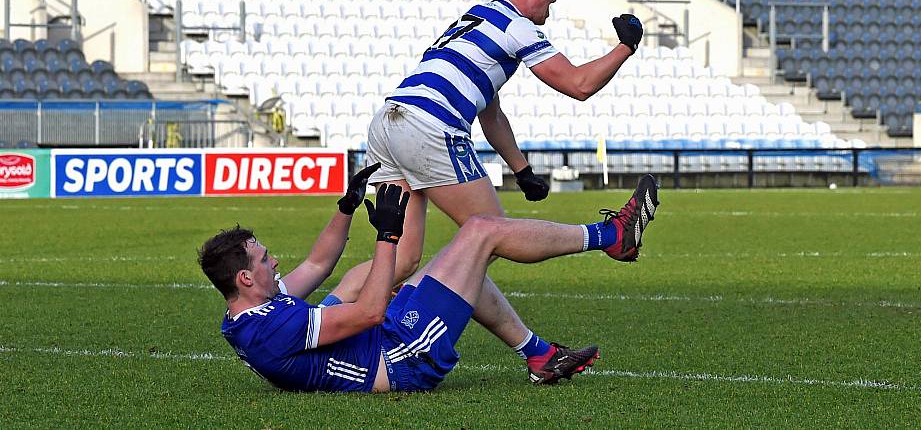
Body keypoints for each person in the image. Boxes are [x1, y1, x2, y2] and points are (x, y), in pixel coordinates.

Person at [330, 0, 647, 381]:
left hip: (389, 121)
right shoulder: (518, 27)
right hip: (429, 126)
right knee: (487, 237)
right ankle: (611, 234)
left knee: (402, 261)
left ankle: (321, 320)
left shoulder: (474, 19)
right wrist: (626, 46)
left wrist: (522, 170)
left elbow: (490, 112)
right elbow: (578, 84)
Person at [197, 167, 660, 393]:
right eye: (263, 260)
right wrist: (387, 234)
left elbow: (318, 265)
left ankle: (539, 355)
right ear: (245, 276)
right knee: (480, 232)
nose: (274, 262)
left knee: (445, 268)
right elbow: (371, 312)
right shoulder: (272, 328)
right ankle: (612, 236)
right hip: (400, 359)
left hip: (380, 339)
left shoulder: (248, 308)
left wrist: (346, 206)